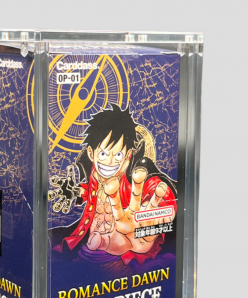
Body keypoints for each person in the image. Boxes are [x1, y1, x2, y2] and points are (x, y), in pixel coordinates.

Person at [49, 104, 177, 268]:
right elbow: (93, 192)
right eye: (103, 154)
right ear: (91, 153)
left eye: (118, 154)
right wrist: (76, 192)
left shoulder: (132, 177)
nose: (109, 161)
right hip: (87, 242)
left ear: (128, 155)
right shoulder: (94, 173)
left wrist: (153, 207)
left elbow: (154, 187)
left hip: (119, 250)